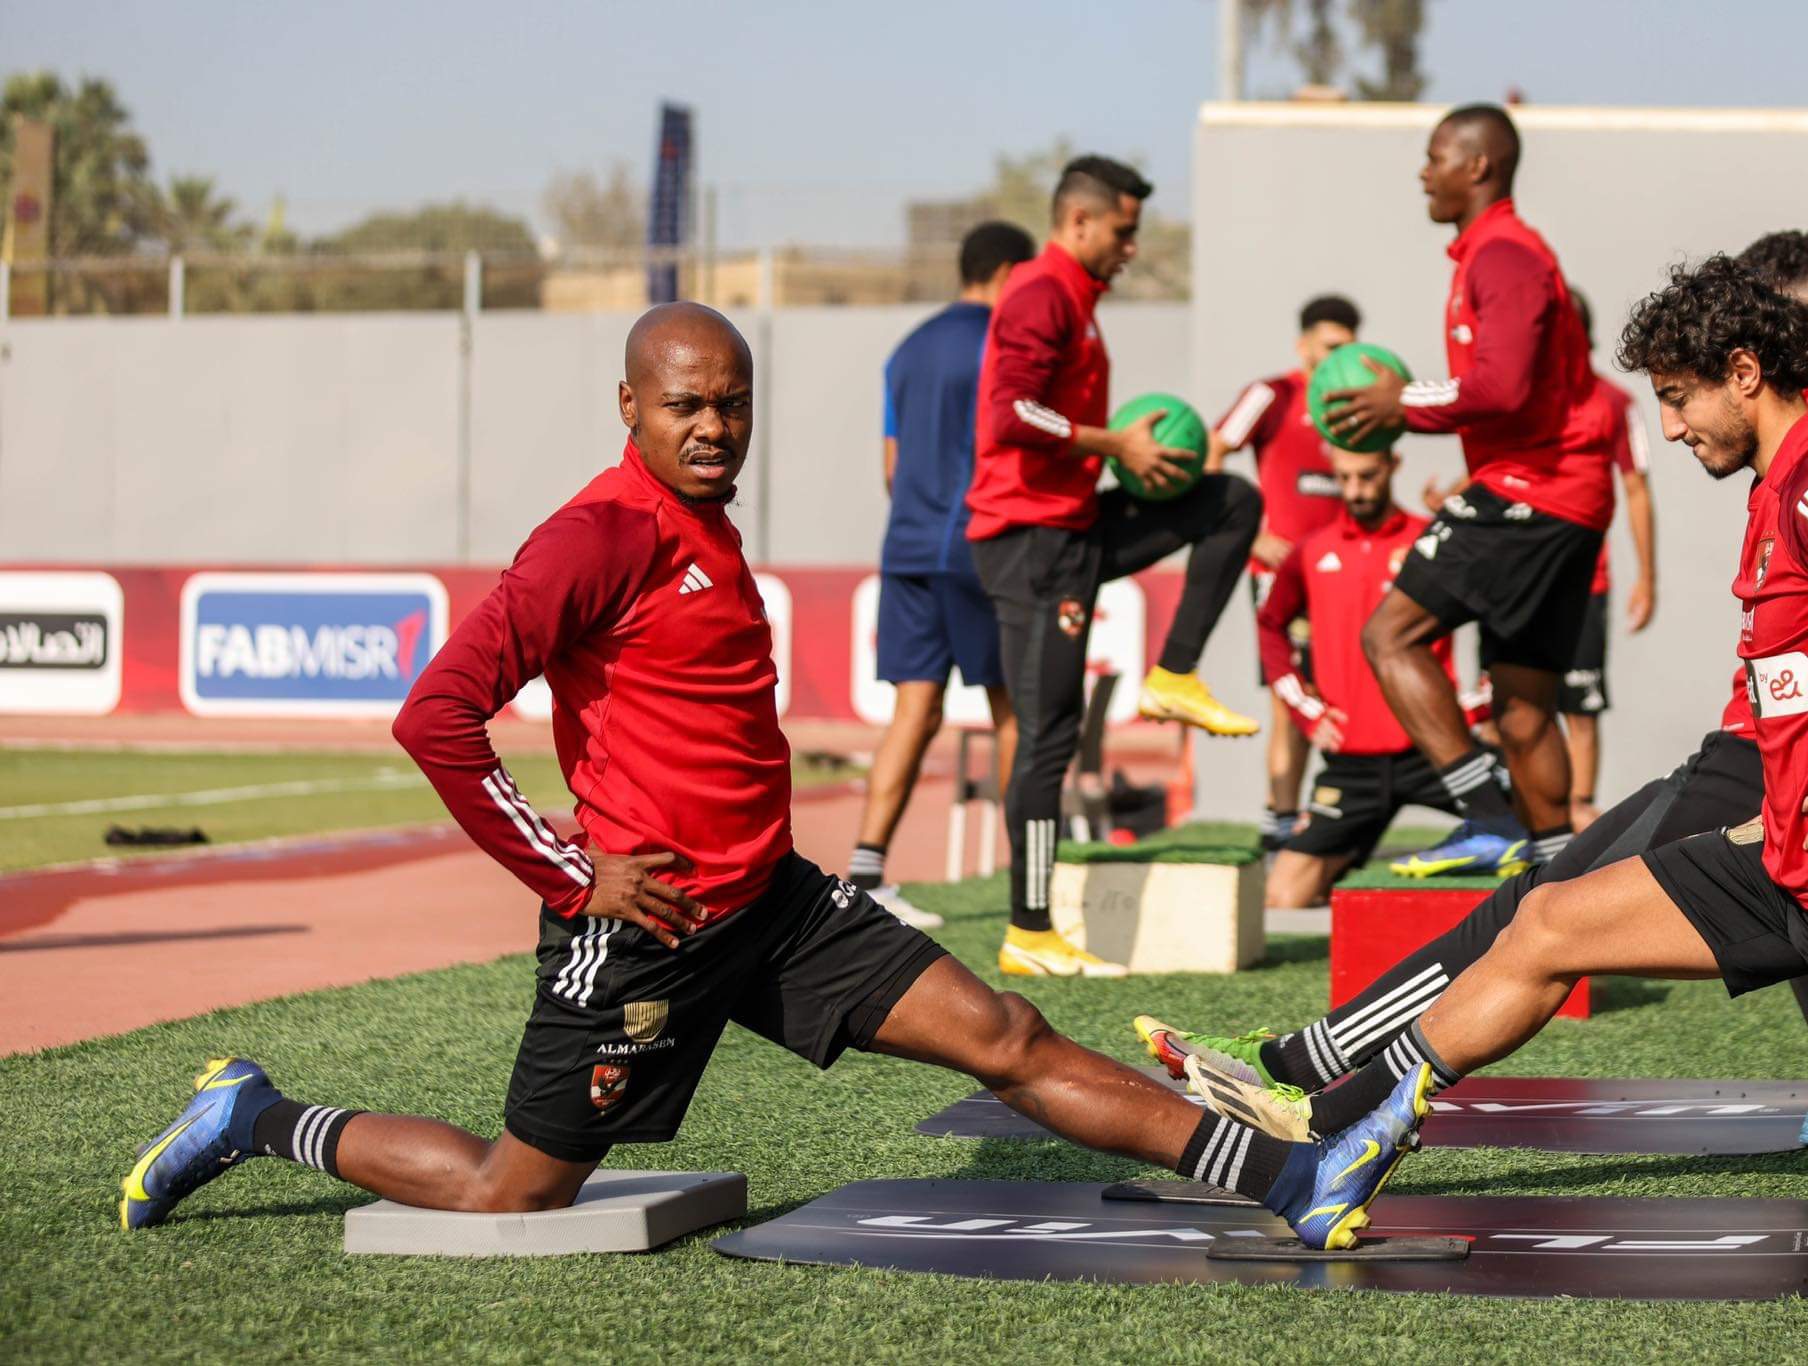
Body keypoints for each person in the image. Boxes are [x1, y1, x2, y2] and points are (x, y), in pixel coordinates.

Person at [117, 303, 1409, 1254]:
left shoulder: (708, 528)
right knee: (510, 1187)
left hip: (777, 907)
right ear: (629, 406)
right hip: (645, 930)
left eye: (732, 403)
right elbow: (437, 714)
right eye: (686, 404)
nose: (715, 427)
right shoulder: (594, 537)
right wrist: (578, 871)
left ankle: (1294, 1177)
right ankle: (255, 1111)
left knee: (1007, 1037)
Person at [1185, 261, 1808, 1214]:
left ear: (1747, 372)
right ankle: (1342, 1134)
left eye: (1680, 399)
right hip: (1789, 858)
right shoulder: (1776, 485)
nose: (1671, 427)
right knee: (1546, 921)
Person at [966, 155, 1264, 977]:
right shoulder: (1042, 291)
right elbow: (1011, 411)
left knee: (1229, 502)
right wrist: (1116, 444)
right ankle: (1029, 931)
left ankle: (1175, 673)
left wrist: (1138, 459)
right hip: (1029, 543)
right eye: (1124, 232)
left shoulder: (1080, 302)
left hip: (1071, 526)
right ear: (1080, 221)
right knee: (1048, 735)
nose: (1131, 247)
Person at [1321, 105, 1609, 879]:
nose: (1424, 171)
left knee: (1389, 636)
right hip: (1566, 498)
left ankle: (1484, 818)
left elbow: (1503, 389)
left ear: (1477, 166)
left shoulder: (1505, 254)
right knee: (1522, 712)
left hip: (1531, 488)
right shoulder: (1497, 254)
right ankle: (1557, 883)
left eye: (1435, 156)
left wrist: (1400, 405)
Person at [846, 221, 1038, 926]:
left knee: (913, 710)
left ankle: (866, 873)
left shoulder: (907, 349)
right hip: (981, 547)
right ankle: (1031, 885)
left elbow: (891, 469)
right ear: (1012, 273)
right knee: (1014, 708)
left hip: (907, 550)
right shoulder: (1004, 343)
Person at [1256, 442, 1458, 909]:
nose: (1355, 490)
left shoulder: (1430, 541)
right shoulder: (1311, 550)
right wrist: (1306, 712)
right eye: (1344, 478)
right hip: (1352, 765)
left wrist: (1478, 701)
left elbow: (1496, 613)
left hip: (1435, 747)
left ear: (1392, 465)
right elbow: (1269, 625)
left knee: (1543, 825)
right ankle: (1348, 852)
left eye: (1367, 475)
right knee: (1284, 896)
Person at [1209, 295, 1362, 852]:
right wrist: (1247, 534)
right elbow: (1211, 449)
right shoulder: (1271, 395)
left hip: (1345, 575)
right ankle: (1280, 820)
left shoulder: (1356, 404)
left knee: (1347, 691)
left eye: (1349, 348)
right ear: (1304, 346)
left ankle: (1337, 815)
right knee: (1289, 699)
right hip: (1282, 579)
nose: (1339, 359)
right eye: (1329, 348)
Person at [1559, 289, 1657, 830]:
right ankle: (1526, 805)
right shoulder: (1526, 400)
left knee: (1580, 701)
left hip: (1583, 584)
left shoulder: (1615, 403)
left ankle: (1576, 804)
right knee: (1509, 702)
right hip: (1524, 584)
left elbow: (1636, 488)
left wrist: (1648, 577)